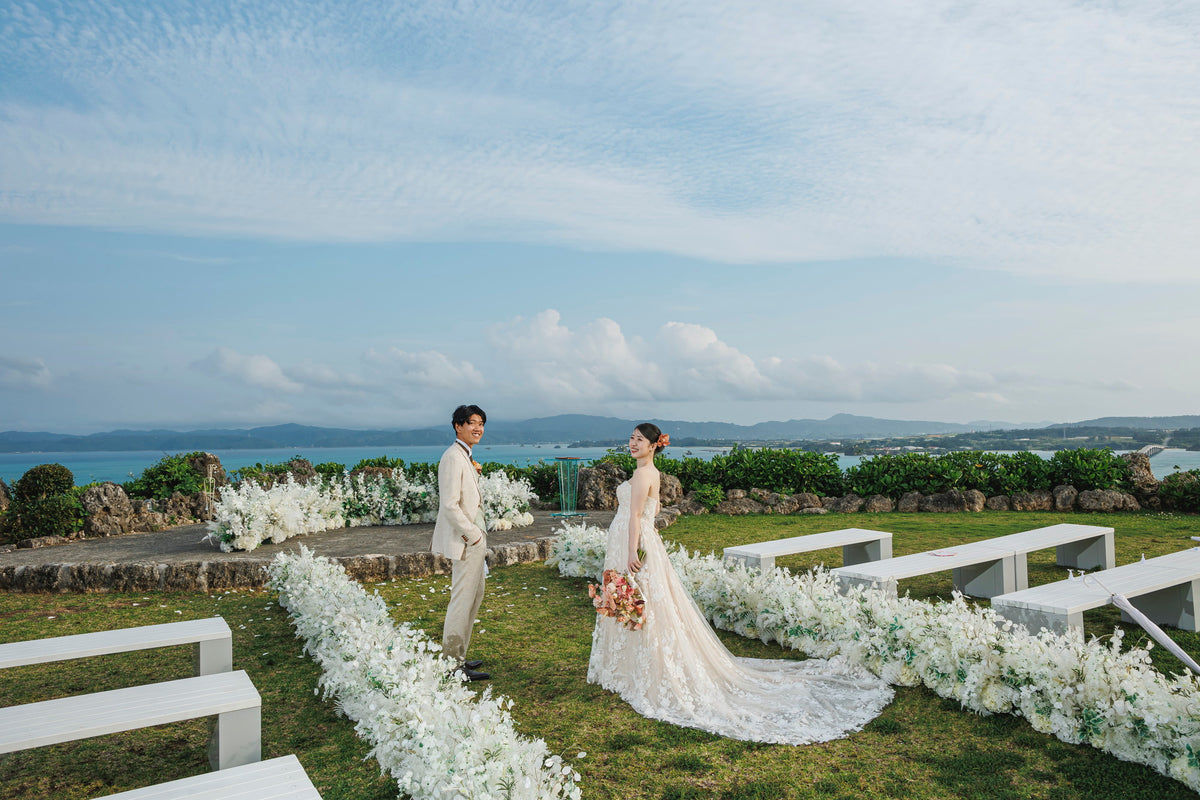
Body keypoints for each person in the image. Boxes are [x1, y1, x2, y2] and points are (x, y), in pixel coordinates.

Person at [587, 423, 893, 743]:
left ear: (653, 446)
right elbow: (655, 510)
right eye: (632, 438)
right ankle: (631, 670)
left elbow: (636, 515)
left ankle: (638, 673)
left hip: (632, 544)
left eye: (640, 440)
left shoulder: (641, 475)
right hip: (639, 539)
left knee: (640, 604)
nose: (633, 443)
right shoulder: (652, 473)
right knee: (639, 604)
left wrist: (629, 553)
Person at [431, 404, 490, 681]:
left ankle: (460, 657)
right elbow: (450, 505)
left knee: (473, 599)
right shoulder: (453, 458)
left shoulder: (465, 456)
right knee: (461, 601)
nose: (478, 428)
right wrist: (473, 535)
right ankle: (452, 665)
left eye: (481, 423)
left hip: (475, 542)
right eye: (472, 423)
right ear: (458, 426)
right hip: (467, 541)